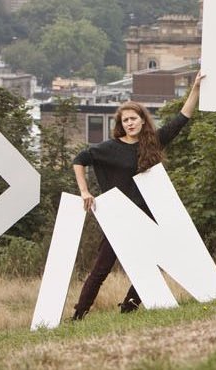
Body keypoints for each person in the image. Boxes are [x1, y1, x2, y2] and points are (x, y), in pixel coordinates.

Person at [70, 73, 204, 320]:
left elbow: (182, 119)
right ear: (121, 124)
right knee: (102, 268)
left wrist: (195, 89)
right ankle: (78, 314)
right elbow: (79, 159)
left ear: (143, 120)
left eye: (134, 118)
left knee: (155, 264)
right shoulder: (110, 148)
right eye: (125, 120)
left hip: (146, 216)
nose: (130, 123)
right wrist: (84, 191)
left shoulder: (151, 143)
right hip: (119, 218)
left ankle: (129, 307)